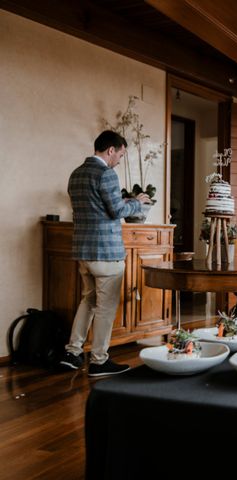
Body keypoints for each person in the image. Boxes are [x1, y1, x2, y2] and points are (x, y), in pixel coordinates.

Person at [59, 130, 151, 377]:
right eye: (120, 154)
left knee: (88, 301)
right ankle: (99, 361)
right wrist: (138, 202)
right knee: (105, 307)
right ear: (111, 150)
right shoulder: (107, 174)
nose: (119, 160)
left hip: (83, 252)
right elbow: (116, 210)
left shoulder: (75, 174)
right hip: (106, 254)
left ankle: (73, 352)